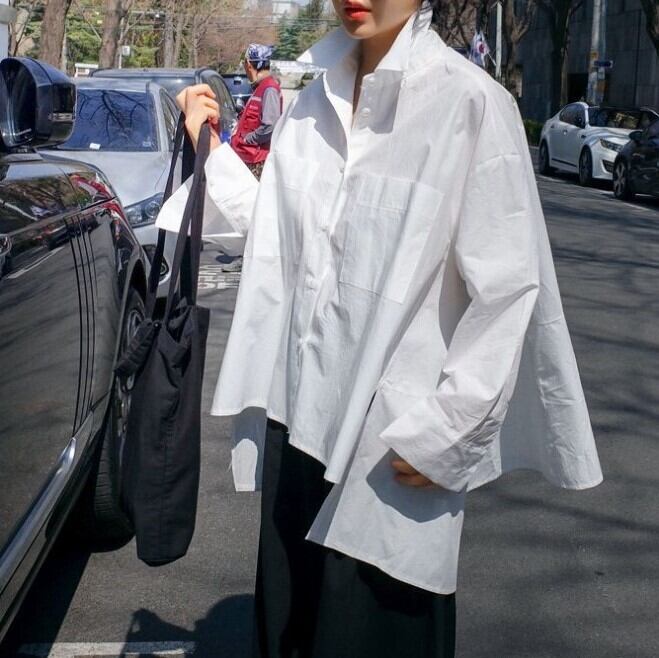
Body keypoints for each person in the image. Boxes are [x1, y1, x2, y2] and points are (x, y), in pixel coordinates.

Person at [157, 0, 603, 655]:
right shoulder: (311, 107)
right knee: (287, 632)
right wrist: (209, 145)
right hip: (293, 422)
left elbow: (509, 288)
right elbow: (277, 236)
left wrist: (450, 431)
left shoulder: (467, 103)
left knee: (376, 632)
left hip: (390, 443)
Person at [232, 43, 283, 180]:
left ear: (249, 64)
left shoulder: (269, 89)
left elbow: (269, 126)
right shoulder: (260, 87)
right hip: (247, 158)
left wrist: (247, 139)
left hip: (257, 162)